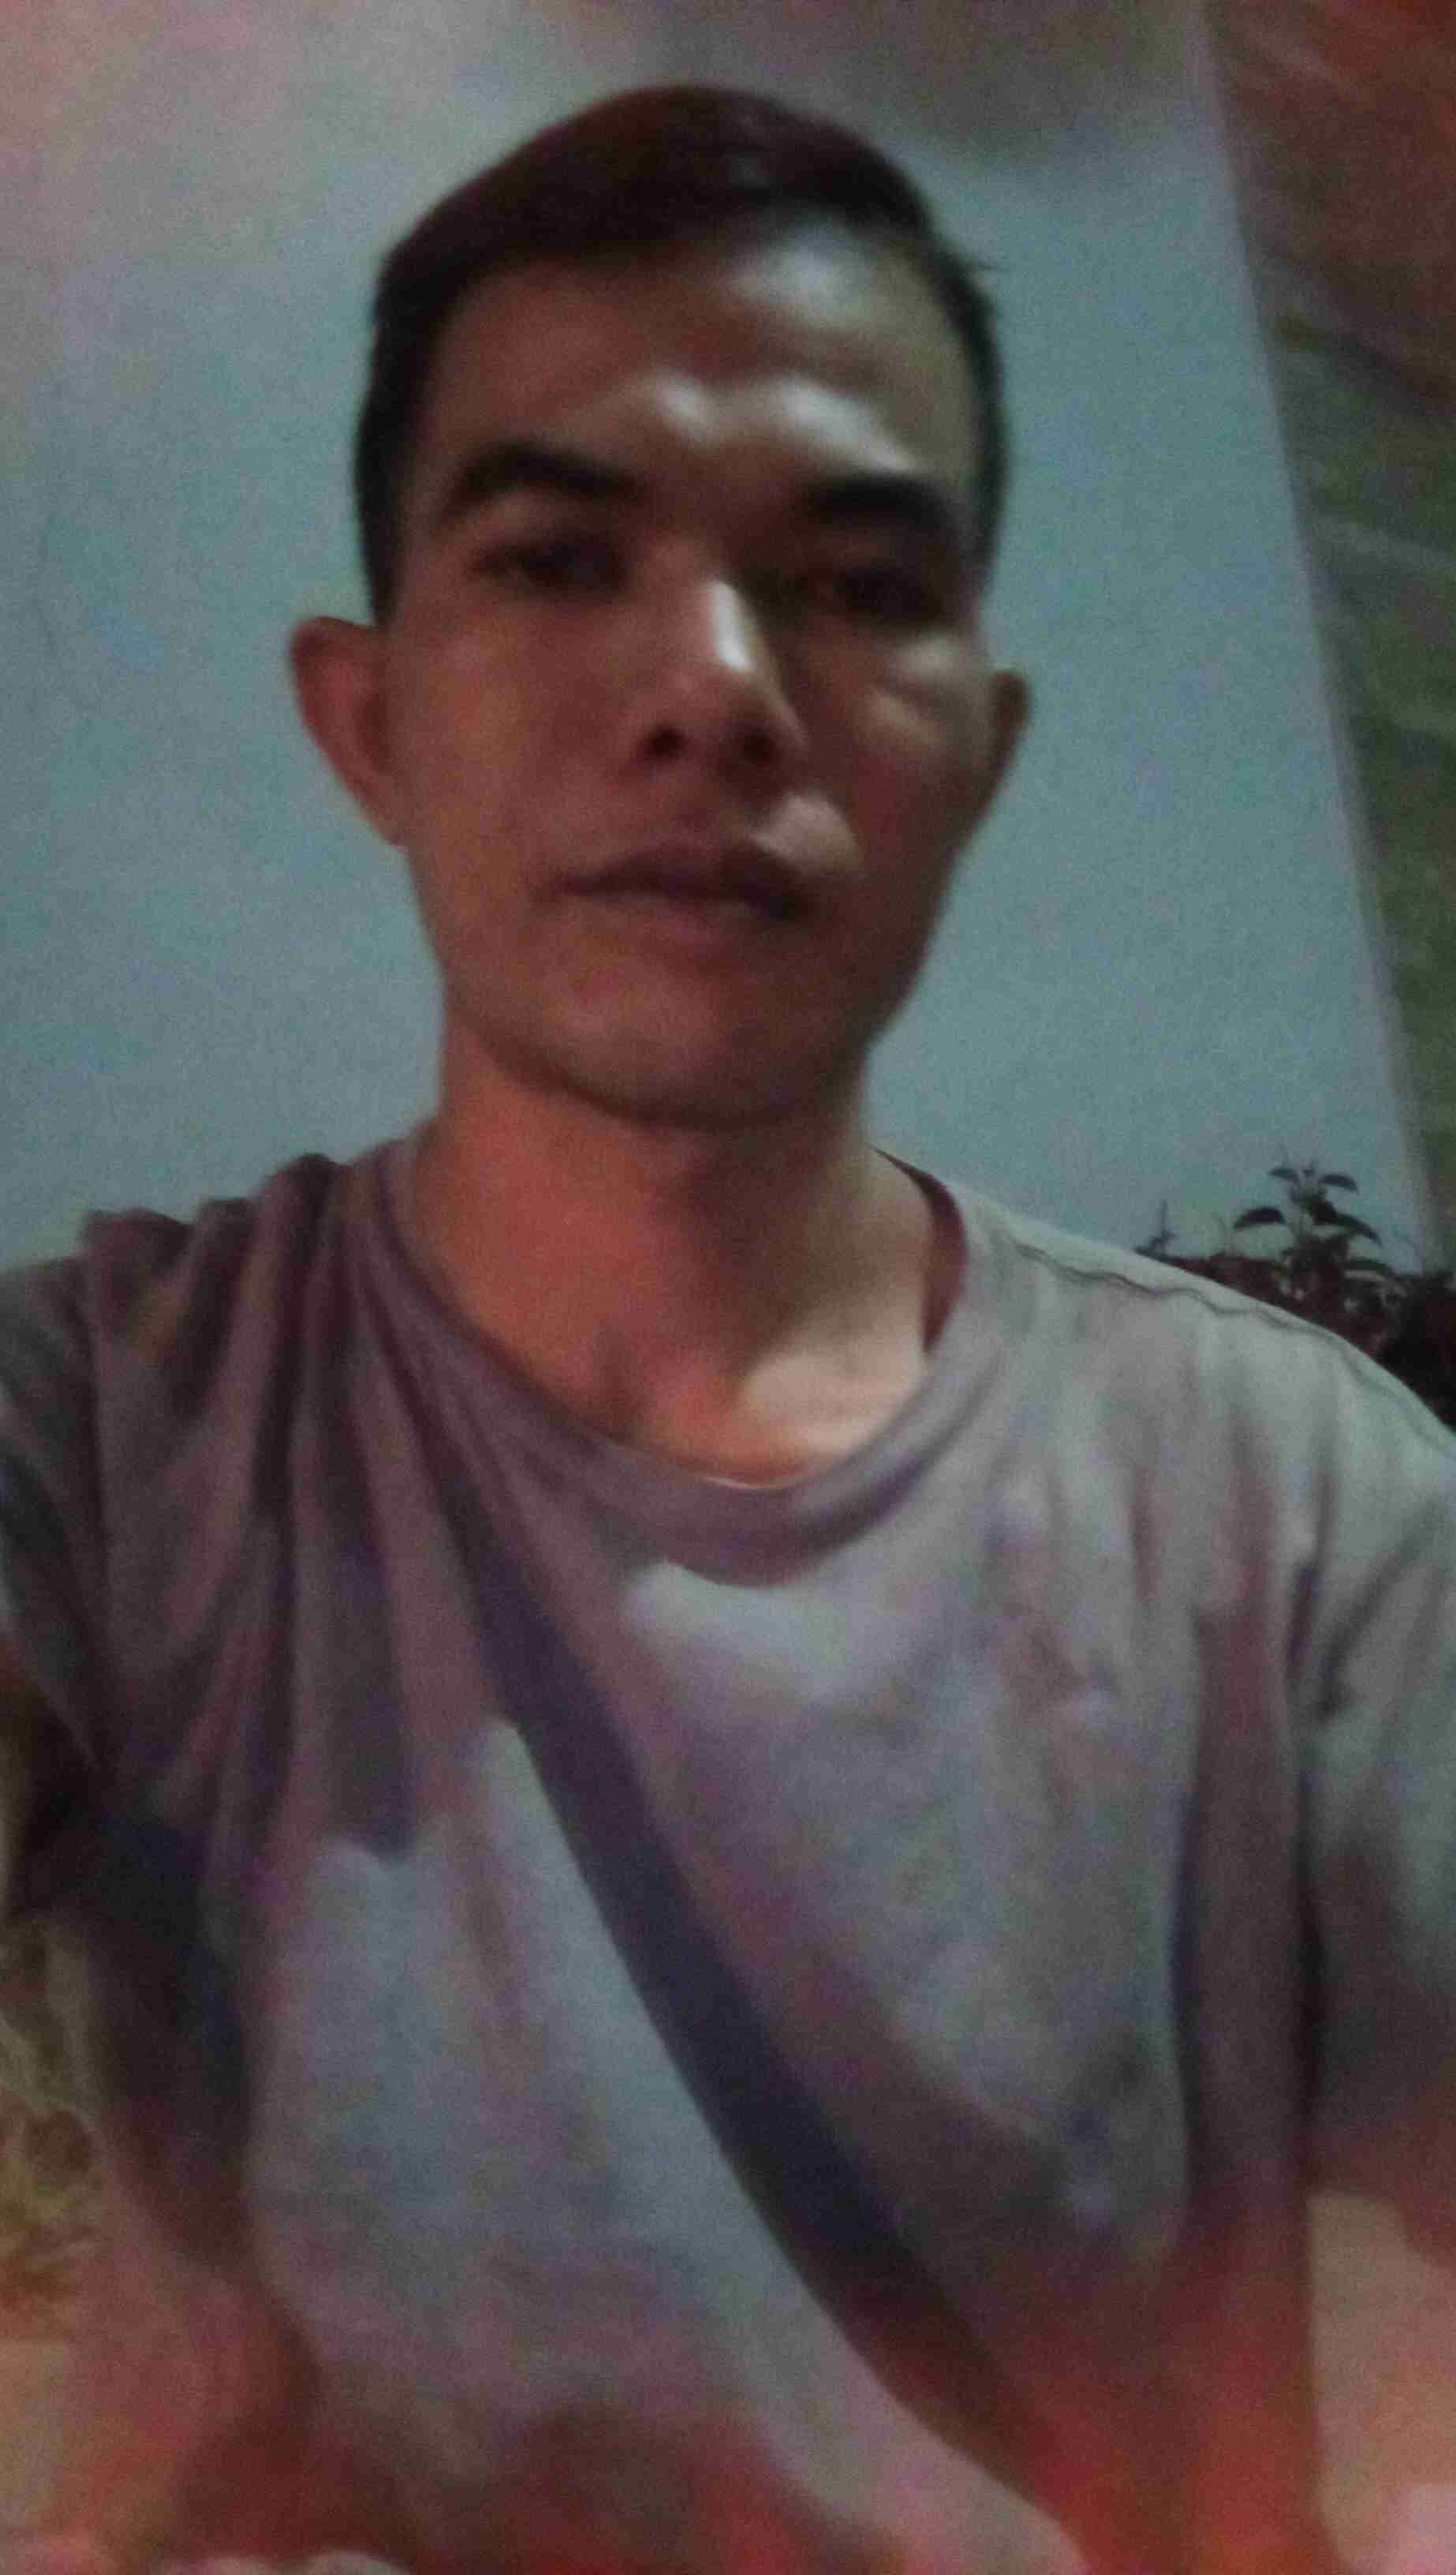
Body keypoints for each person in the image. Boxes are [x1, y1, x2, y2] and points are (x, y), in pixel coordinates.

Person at [1, 80, 1453, 2575]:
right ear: (370, 718)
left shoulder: (1303, 1513)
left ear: (978, 750)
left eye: (858, 579)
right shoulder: (102, 1432)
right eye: (560, 557)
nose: (713, 688)